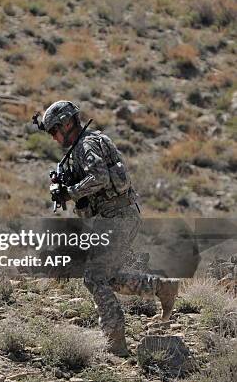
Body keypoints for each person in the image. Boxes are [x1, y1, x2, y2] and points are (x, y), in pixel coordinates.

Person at [40, 100, 179, 357]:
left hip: (118, 217)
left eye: (54, 130)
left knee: (94, 277)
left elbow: (100, 177)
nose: (54, 137)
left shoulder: (86, 145)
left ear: (68, 123)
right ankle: (162, 287)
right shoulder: (84, 145)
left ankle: (115, 341)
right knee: (109, 276)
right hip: (116, 217)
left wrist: (70, 192)